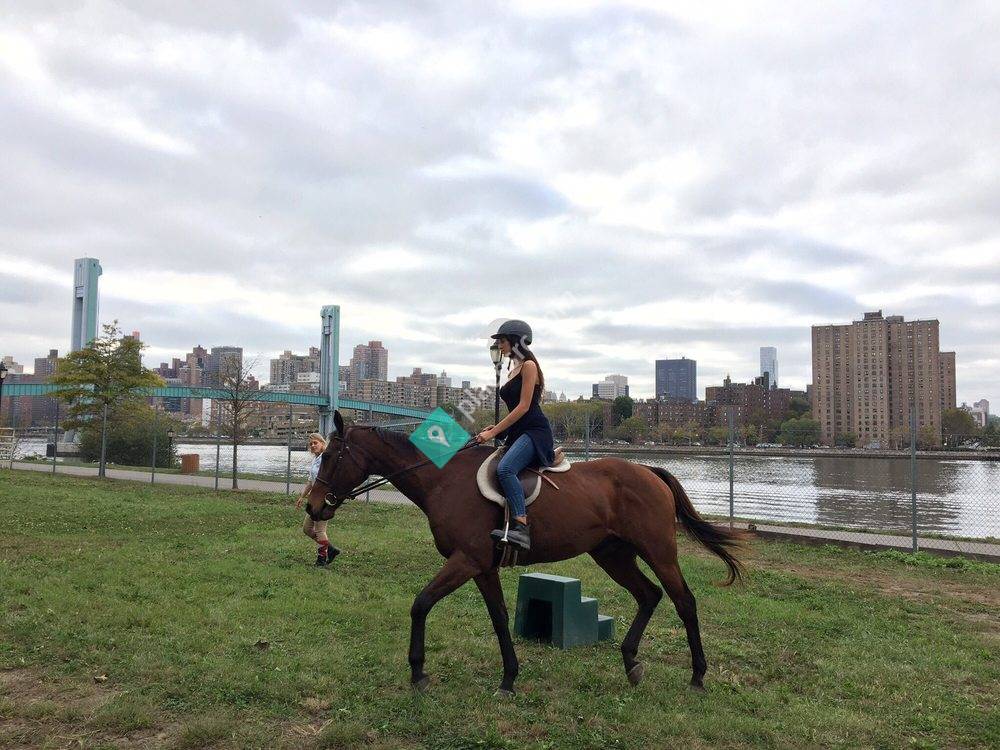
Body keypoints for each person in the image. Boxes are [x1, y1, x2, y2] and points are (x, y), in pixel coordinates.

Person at [475, 319, 555, 552]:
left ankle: (521, 527)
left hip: (535, 432)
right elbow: (515, 412)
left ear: (515, 341)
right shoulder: (513, 369)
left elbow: (523, 408)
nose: (499, 345)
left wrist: (494, 432)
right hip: (519, 431)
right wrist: (497, 427)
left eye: (502, 341)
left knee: (506, 469)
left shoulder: (529, 366)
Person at [296, 432, 341, 567]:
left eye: (315, 443)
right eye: (311, 444)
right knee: (307, 528)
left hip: (324, 499)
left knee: (320, 530)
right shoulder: (316, 460)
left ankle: (321, 560)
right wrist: (302, 497)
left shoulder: (326, 459)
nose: (313, 445)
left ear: (322, 443)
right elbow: (311, 482)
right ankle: (330, 549)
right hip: (314, 499)